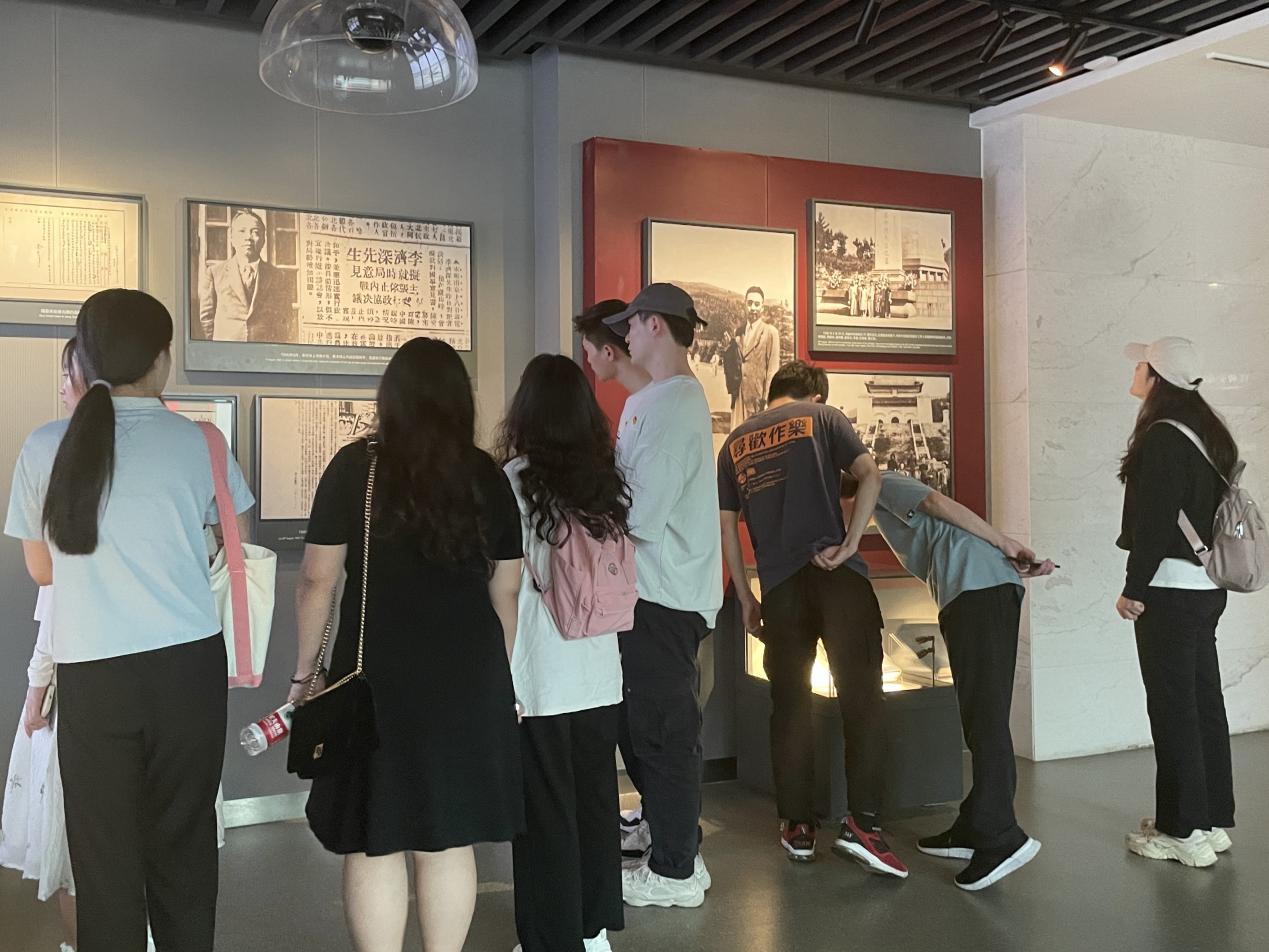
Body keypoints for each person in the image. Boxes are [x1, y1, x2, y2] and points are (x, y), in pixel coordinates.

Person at [5, 290, 254, 952]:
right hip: (187, 669)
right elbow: (233, 544)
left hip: (94, 673)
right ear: (162, 359)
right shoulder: (199, 442)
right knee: (184, 846)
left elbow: (43, 571)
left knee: (102, 859)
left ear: (83, 360)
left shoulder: (45, 446)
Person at [290, 337, 525, 952]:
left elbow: (317, 580)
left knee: (376, 835)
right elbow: (506, 591)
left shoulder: (355, 468)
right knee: (448, 838)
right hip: (467, 680)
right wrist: (499, 680)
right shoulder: (485, 476)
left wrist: (305, 674)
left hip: (376, 679)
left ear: (389, 397)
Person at [718, 360, 906, 878]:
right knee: (862, 699)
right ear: (815, 393)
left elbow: (728, 528)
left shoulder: (734, 443)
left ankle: (798, 827)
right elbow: (870, 475)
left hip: (779, 587)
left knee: (790, 706)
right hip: (836, 574)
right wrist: (851, 543)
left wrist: (746, 596)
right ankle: (864, 824)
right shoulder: (823, 418)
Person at [840, 468, 1053, 890]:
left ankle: (1001, 837)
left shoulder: (882, 482)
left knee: (985, 718)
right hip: (975, 590)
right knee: (980, 716)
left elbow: (939, 503)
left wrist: (1004, 544)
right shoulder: (878, 503)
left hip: (978, 591)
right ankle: (974, 825)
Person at [497, 355, 629, 952]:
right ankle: (592, 930)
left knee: (545, 813)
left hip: (540, 673)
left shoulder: (515, 481)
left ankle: (550, 939)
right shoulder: (604, 479)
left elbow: (501, 584)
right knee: (596, 803)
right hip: (600, 671)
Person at [599, 283, 724, 909]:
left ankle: (676, 870)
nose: (622, 336)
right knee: (641, 726)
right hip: (649, 595)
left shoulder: (675, 403)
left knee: (663, 732)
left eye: (631, 324)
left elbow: (643, 515)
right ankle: (666, 835)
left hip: (665, 598)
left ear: (655, 325)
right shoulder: (656, 399)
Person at [1115, 337, 1239, 869]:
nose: (1135, 370)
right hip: (1207, 588)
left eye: (1141, 364)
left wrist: (1133, 588)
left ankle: (1181, 831)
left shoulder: (1163, 437)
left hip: (1168, 591)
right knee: (1203, 702)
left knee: (1172, 708)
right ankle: (1208, 821)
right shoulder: (1209, 431)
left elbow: (1155, 521)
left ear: (1158, 377)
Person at [2, 338, 83, 952]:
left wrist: (36, 689)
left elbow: (51, 588)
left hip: (75, 681)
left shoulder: (52, 451)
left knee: (72, 838)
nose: (60, 388)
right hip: (166, 679)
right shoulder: (182, 446)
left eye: (67, 374)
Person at [197, 209, 293, 343]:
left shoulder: (278, 277)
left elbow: (285, 320)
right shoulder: (215, 273)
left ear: (263, 239)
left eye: (255, 232)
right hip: (226, 349)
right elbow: (206, 319)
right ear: (232, 238)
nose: (248, 237)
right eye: (242, 231)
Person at [575, 299, 652, 396]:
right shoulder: (660, 389)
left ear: (608, 352)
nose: (588, 360)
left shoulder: (643, 401)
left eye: (588, 351)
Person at [736, 286, 779, 425]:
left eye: (756, 304)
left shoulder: (770, 332)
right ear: (745, 304)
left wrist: (768, 401)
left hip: (758, 400)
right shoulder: (739, 332)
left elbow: (772, 370)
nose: (753, 308)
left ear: (762, 307)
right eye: (749, 303)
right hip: (739, 397)